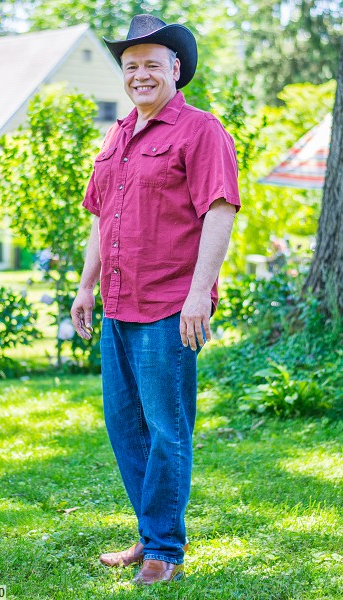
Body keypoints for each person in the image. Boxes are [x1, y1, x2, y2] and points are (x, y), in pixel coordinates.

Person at [70, 14, 241, 586]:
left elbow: (220, 210)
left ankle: (164, 552)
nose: (140, 74)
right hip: (118, 304)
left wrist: (198, 295)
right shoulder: (118, 134)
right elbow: (100, 218)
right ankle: (151, 534)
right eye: (130, 65)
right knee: (126, 428)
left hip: (170, 306)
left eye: (151, 64)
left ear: (175, 68)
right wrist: (86, 285)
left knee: (167, 429)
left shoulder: (201, 130)